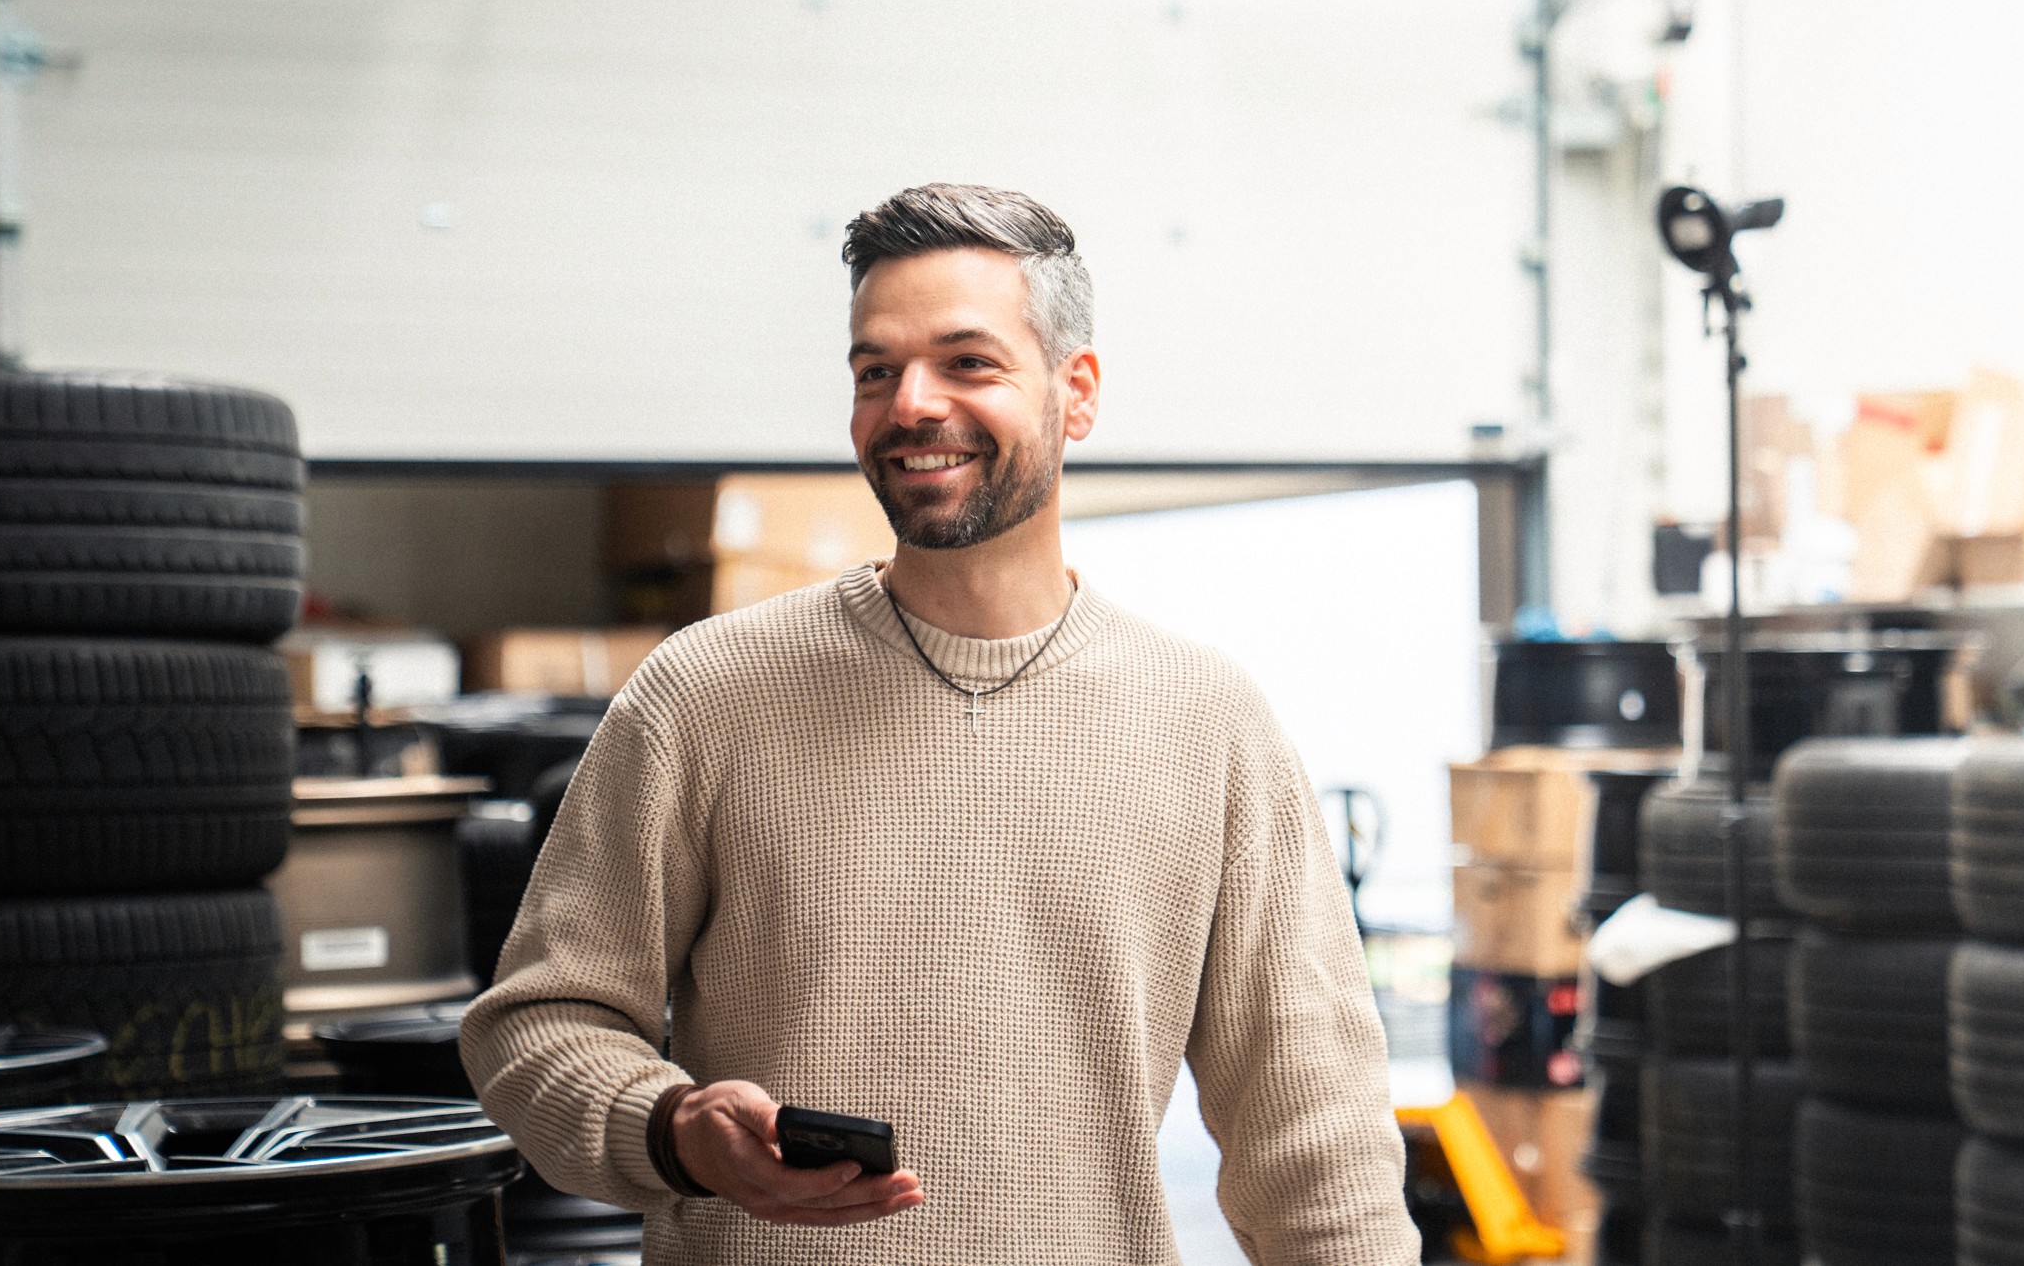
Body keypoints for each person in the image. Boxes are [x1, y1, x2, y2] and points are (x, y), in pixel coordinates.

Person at [459, 183, 1418, 1265]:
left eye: (967, 361)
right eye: (876, 370)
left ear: (1077, 390)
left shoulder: (1207, 722)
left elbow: (1316, 1135)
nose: (910, 403)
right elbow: (535, 1027)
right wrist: (674, 1130)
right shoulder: (705, 694)